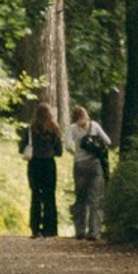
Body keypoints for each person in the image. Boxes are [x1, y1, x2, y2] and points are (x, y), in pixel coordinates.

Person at [67, 105, 112, 240]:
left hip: (79, 165)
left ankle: (80, 230)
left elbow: (68, 146)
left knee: (80, 198)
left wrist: (76, 153)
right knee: (95, 199)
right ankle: (94, 232)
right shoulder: (94, 126)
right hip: (95, 165)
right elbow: (108, 141)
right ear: (86, 115)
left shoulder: (72, 128)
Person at [19, 102, 63, 238]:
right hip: (49, 164)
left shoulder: (30, 130)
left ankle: (35, 228)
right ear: (50, 114)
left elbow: (21, 148)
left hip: (34, 164)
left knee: (35, 196)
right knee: (50, 196)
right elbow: (59, 152)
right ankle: (50, 229)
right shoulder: (55, 129)